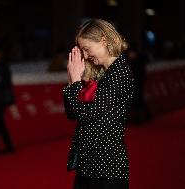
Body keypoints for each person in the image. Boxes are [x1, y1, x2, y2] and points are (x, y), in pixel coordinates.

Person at [62, 19, 134, 189]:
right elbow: (72, 114)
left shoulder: (120, 73)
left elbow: (86, 114)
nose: (85, 56)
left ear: (103, 40)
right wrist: (72, 80)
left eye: (87, 49)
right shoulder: (100, 74)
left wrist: (75, 84)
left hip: (107, 171)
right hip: (88, 168)